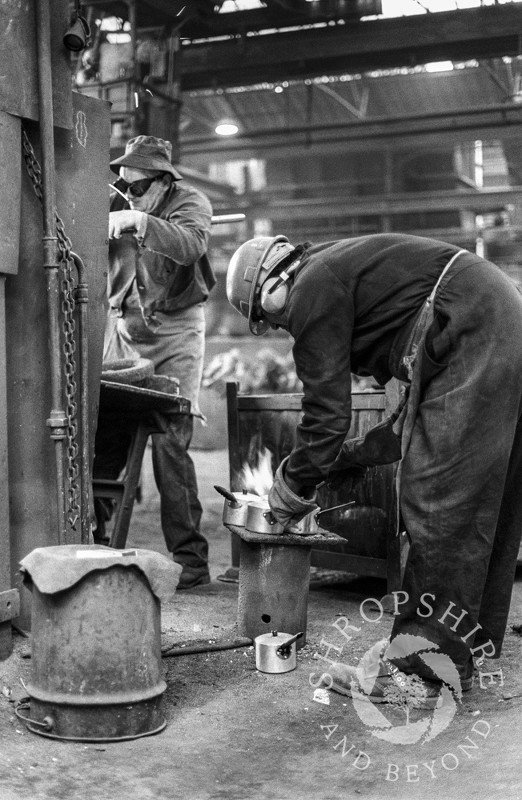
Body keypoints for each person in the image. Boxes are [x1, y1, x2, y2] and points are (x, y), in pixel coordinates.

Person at [226, 232, 522, 702]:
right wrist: (349, 457)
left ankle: (423, 671)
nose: (284, 327)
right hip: (495, 313)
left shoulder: (309, 286)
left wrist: (291, 486)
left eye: (269, 318)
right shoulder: (350, 275)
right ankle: (468, 642)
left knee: (436, 499)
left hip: (470, 320)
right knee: (488, 492)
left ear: (268, 283)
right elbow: (405, 418)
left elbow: (324, 419)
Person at [93, 135, 214, 590]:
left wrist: (140, 221)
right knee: (106, 430)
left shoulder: (190, 202)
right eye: (124, 188)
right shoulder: (115, 199)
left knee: (169, 439)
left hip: (176, 331)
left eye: (139, 189)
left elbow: (189, 246)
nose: (128, 195)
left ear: (163, 182)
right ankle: (94, 542)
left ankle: (191, 560)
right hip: (125, 330)